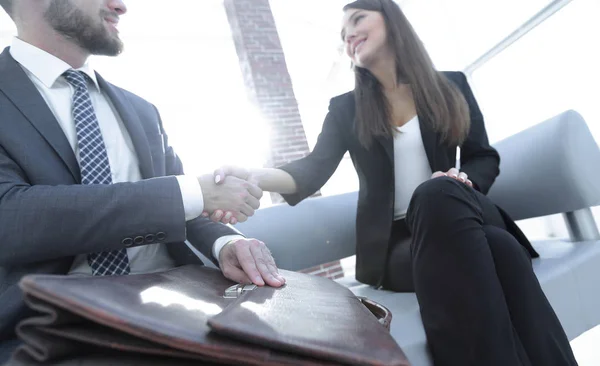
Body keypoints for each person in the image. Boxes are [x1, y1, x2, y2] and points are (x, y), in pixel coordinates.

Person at [206, 0, 578, 365]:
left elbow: (483, 156)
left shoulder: (451, 85)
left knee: (439, 193)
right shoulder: (346, 109)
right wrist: (255, 174)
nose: (348, 34)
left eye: (357, 19)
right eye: (342, 32)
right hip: (400, 244)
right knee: (502, 249)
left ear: (390, 18)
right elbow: (311, 169)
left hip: (463, 207)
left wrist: (462, 179)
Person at [0, 0, 285, 362]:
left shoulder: (141, 110)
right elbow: (8, 218)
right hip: (53, 332)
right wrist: (195, 191)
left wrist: (227, 244)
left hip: (179, 312)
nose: (120, 5)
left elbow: (185, 206)